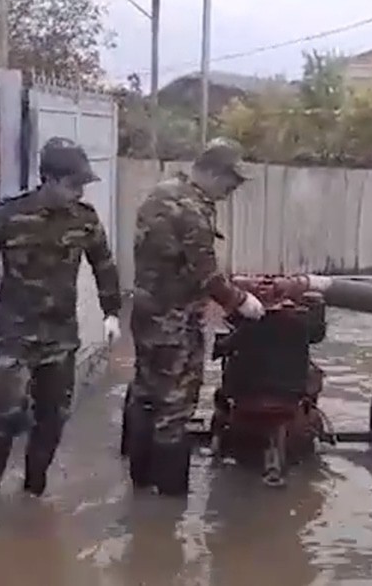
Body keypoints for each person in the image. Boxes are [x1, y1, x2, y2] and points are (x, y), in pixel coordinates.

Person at [0, 136, 122, 497]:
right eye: (73, 185)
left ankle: (34, 491)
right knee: (4, 417)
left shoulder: (84, 221)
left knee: (53, 418)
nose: (78, 193)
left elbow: (104, 266)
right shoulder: (9, 215)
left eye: (82, 186)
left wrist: (111, 313)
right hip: (14, 334)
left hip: (61, 336)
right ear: (51, 179)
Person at [129, 137, 265, 496]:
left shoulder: (164, 191)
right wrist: (242, 302)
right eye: (230, 183)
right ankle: (170, 507)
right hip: (173, 321)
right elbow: (206, 275)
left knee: (146, 394)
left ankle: (139, 483)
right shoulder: (191, 209)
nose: (230, 192)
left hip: (146, 313)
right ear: (213, 172)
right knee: (176, 408)